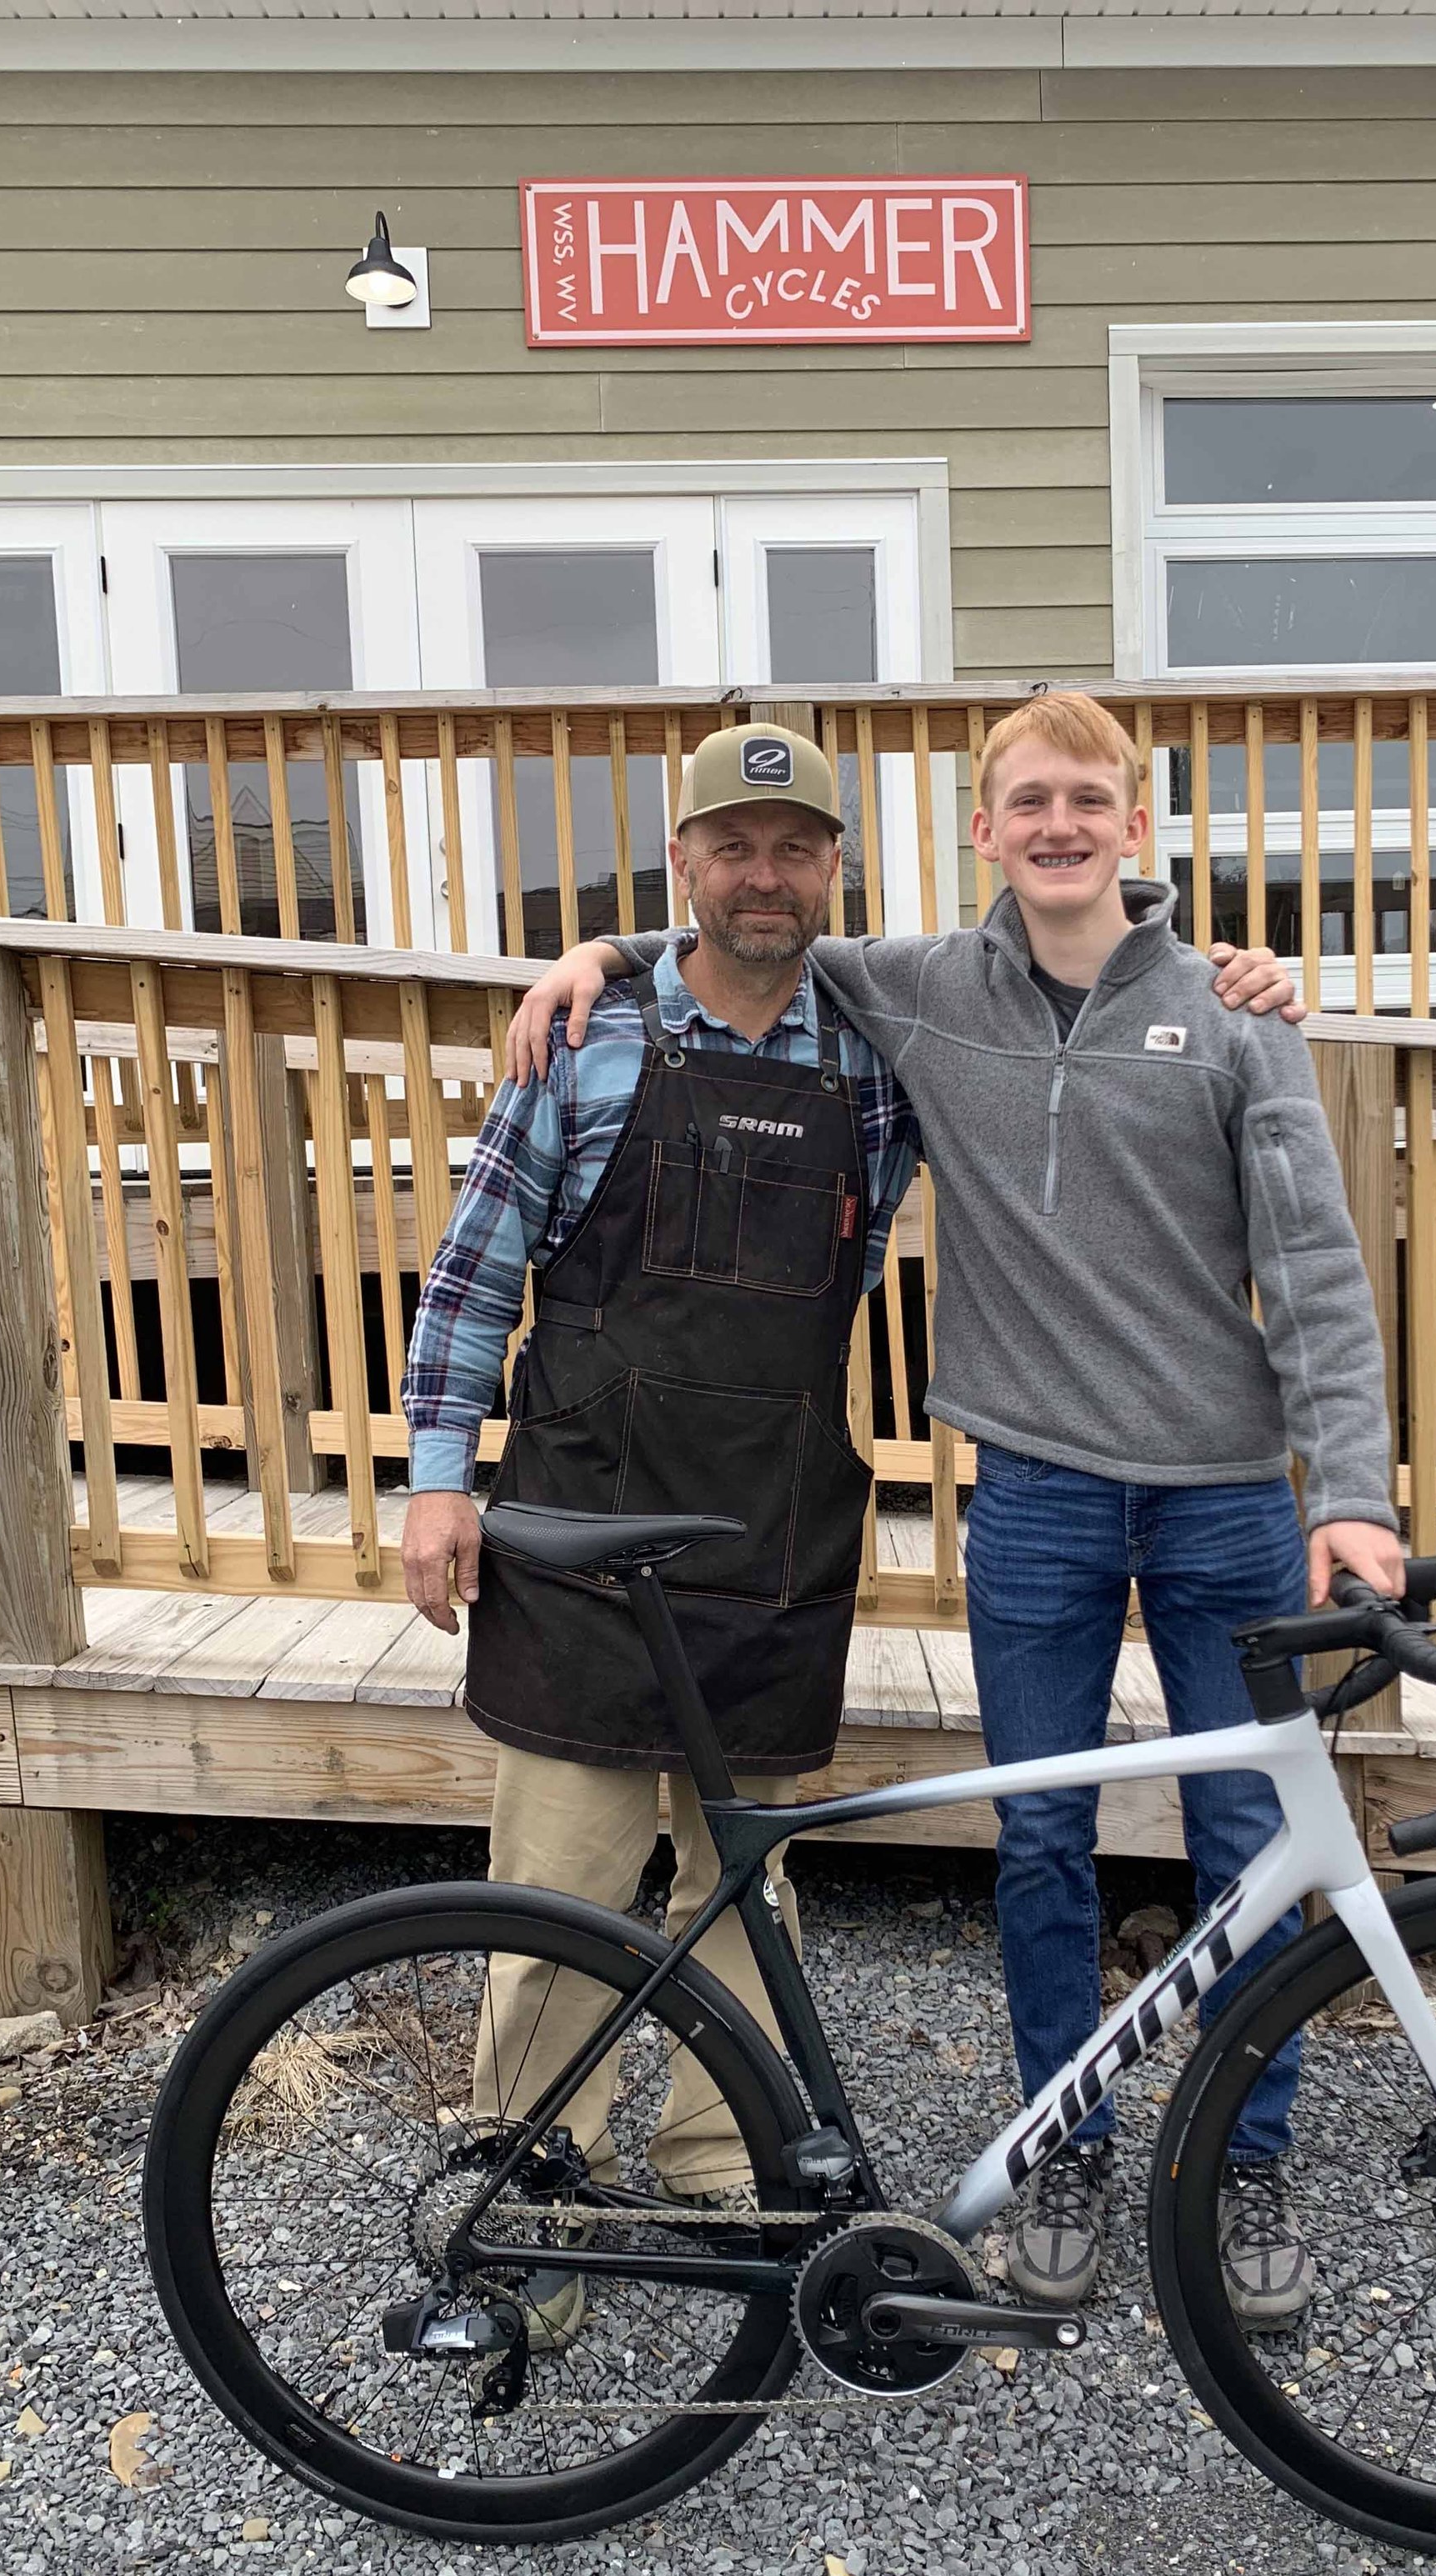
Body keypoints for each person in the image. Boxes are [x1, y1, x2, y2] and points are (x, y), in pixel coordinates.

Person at [503, 691, 1402, 2331]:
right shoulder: (916, 984)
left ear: (1134, 824)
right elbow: (747, 925)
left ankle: (1244, 2154)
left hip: (1223, 1501)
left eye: (1088, 800)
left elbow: (1317, 1267)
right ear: (980, 831)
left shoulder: (1231, 1013)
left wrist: (1351, 1495)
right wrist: (600, 962)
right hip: (1038, 1490)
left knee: (1249, 1838)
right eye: (1025, 803)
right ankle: (1059, 2136)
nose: (1057, 826)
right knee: (1041, 1838)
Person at [399, 723, 922, 2340]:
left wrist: (1221, 962)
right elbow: (478, 1268)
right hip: (572, 1521)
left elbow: (1058, 965)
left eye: (797, 847)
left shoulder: (880, 1053)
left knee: (742, 1889)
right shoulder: (587, 1036)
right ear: (682, 858)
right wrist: (437, 1474)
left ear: (834, 868)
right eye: (733, 845)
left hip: (767, 1525)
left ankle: (726, 2173)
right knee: (555, 1887)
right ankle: (524, 2199)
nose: (766, 875)